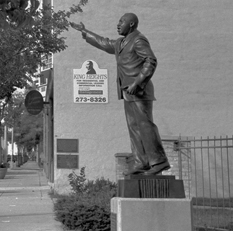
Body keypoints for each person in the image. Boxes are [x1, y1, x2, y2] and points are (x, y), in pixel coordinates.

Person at [70, 13, 170, 176]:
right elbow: (104, 43)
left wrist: (137, 82)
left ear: (131, 24)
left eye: (121, 22)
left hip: (139, 91)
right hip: (126, 91)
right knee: (134, 128)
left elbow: (151, 61)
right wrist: (85, 31)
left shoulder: (138, 40)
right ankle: (141, 162)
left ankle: (159, 161)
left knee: (145, 126)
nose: (118, 24)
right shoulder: (121, 43)